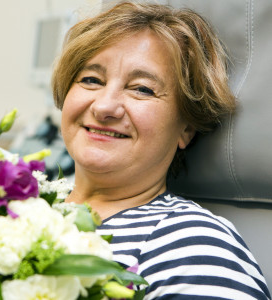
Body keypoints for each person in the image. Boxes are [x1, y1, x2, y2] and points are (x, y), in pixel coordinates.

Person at [52, 1, 270, 299]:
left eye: (142, 89)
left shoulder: (194, 246)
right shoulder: (15, 206)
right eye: (91, 80)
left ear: (186, 129)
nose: (104, 107)